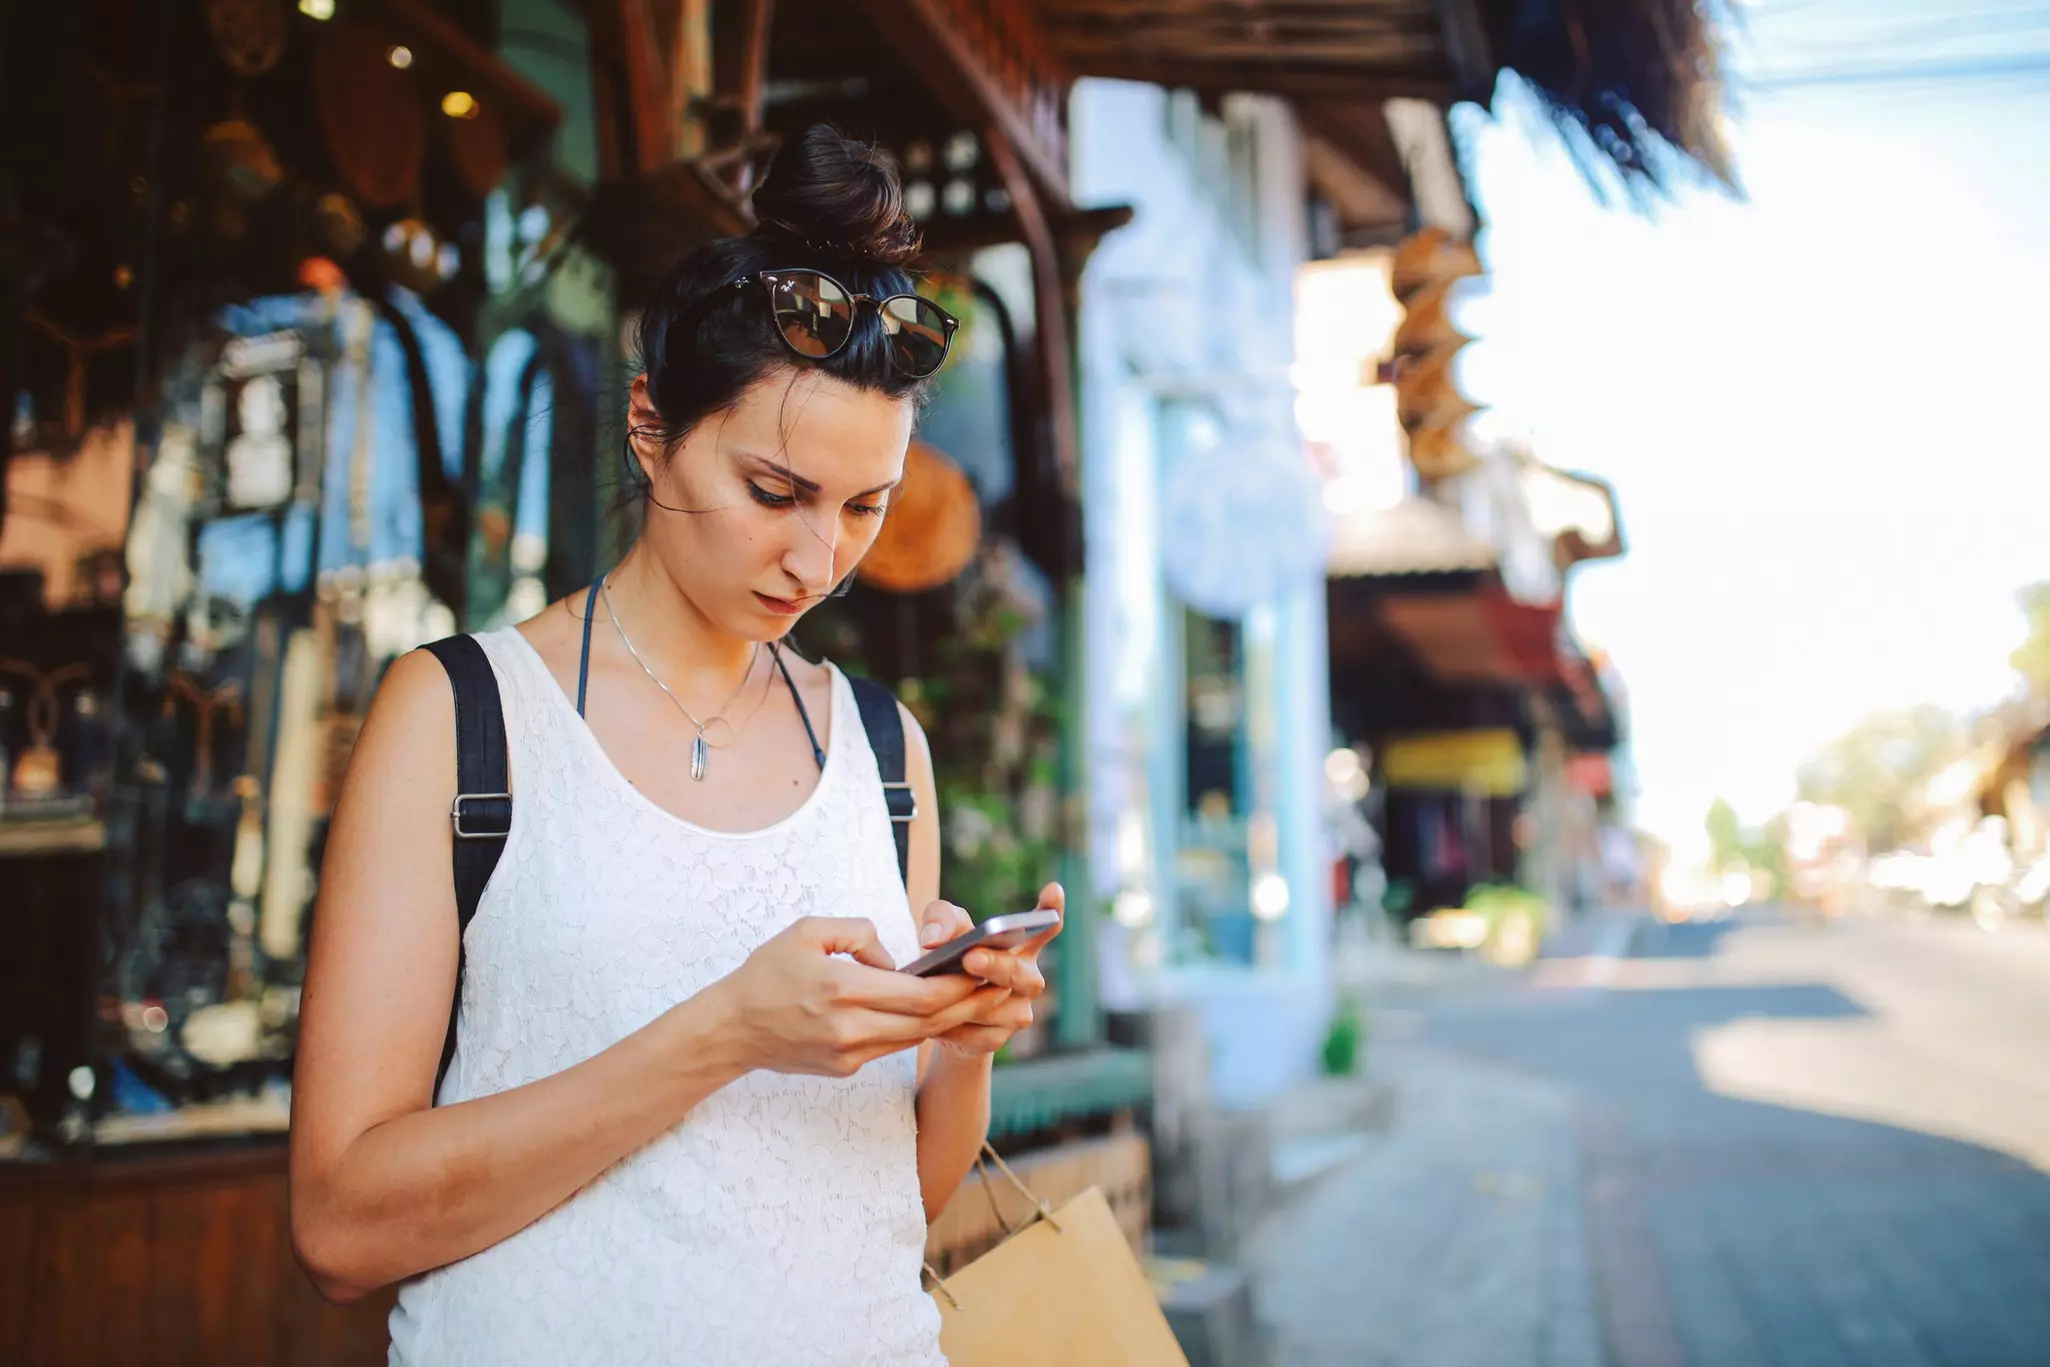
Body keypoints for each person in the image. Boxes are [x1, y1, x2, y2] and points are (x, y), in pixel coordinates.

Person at [288, 125, 1062, 1365]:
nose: (819, 561)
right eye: (775, 492)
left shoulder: (880, 747)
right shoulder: (460, 718)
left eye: (864, 507)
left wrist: (959, 1051)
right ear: (650, 425)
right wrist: (727, 1031)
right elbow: (339, 1225)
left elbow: (889, 1209)